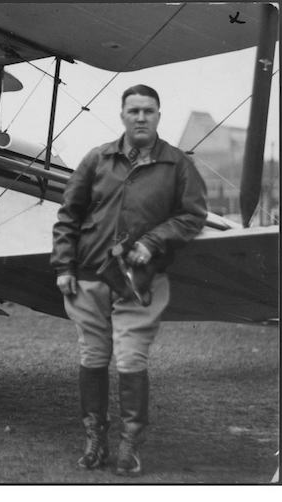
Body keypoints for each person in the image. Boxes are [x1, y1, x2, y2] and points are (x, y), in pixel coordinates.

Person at [50, 84, 207, 476]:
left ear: (158, 116)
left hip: (141, 283)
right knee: (92, 357)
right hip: (88, 278)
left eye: (148, 111)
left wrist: (153, 241)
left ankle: (129, 447)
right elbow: (68, 215)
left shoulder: (177, 165)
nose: (141, 117)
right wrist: (64, 267)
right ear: (122, 115)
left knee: (131, 359)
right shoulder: (96, 159)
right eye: (134, 110)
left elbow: (193, 216)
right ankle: (95, 441)